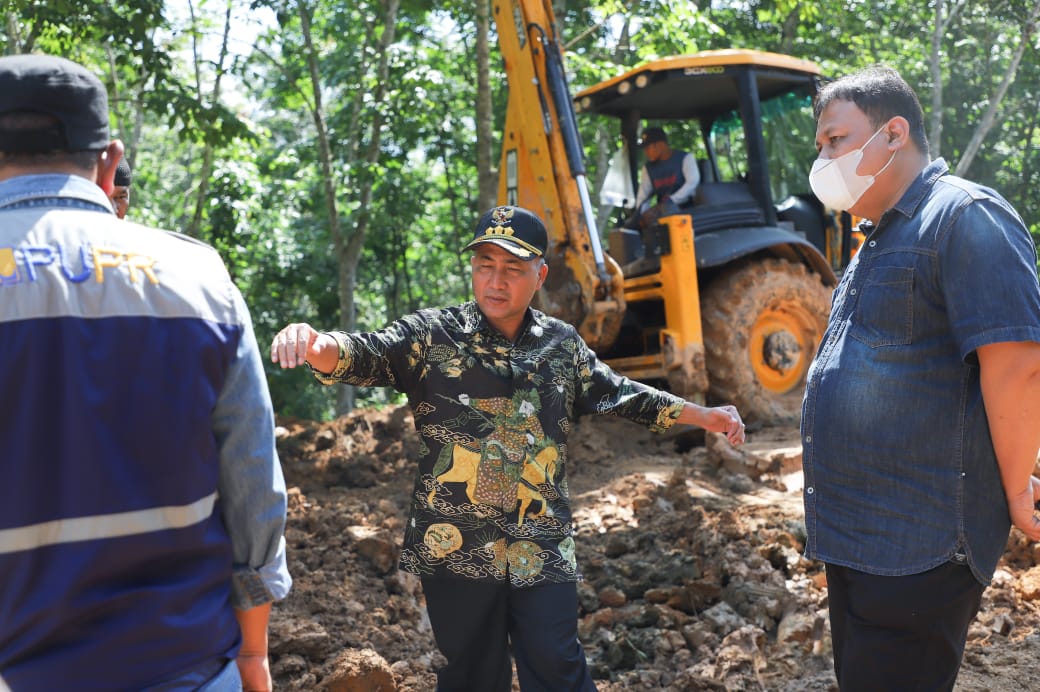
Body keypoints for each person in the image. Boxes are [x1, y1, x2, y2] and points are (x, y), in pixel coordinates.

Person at [271, 204, 746, 691]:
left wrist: (704, 415)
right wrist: (313, 342)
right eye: (484, 267)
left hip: (539, 541)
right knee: (472, 676)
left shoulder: (561, 346)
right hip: (456, 546)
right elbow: (364, 352)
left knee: (558, 665)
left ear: (539, 275)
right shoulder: (432, 336)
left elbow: (621, 392)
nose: (495, 281)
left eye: (512, 269)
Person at [0, 54, 291, 691]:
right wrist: (251, 652)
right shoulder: (197, 278)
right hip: (181, 664)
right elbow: (251, 483)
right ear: (109, 161)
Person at [802, 65, 1040, 691]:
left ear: (893, 134)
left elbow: (1015, 363)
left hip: (918, 543)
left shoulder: (966, 216)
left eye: (835, 140)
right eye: (820, 145)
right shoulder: (877, 239)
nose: (822, 159)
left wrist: (1016, 490)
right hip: (861, 539)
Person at [632, 126, 700, 228]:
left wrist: (671, 201)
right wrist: (643, 214)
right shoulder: (648, 168)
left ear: (660, 145)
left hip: (688, 211)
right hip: (663, 214)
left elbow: (692, 183)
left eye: (648, 148)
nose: (646, 152)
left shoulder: (685, 158)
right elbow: (643, 195)